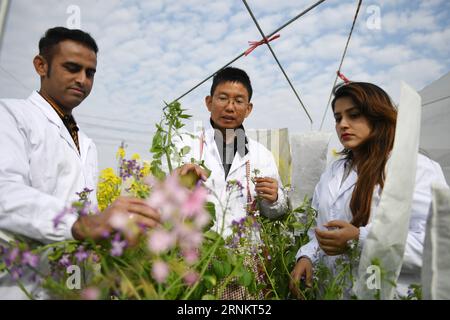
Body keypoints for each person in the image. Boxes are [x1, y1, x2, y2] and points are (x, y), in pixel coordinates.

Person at [0, 27, 160, 299]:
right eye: (71, 68)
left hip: (74, 285)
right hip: (24, 285)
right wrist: (80, 225)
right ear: (41, 65)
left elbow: (89, 212)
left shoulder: (85, 142)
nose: (82, 80)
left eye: (90, 72)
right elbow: (4, 192)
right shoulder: (11, 116)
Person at [289, 82, 448, 299]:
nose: (343, 124)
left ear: (377, 116)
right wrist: (306, 257)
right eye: (338, 118)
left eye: (354, 115)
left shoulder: (414, 168)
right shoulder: (334, 172)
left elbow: (435, 246)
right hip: (332, 291)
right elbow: (320, 231)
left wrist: (360, 239)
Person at [174, 66, 288, 237]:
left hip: (243, 255)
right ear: (209, 102)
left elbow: (273, 213)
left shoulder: (261, 155)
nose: (230, 107)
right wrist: (176, 181)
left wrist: (274, 199)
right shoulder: (183, 144)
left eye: (239, 101)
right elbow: (163, 197)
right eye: (223, 98)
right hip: (195, 253)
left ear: (248, 109)